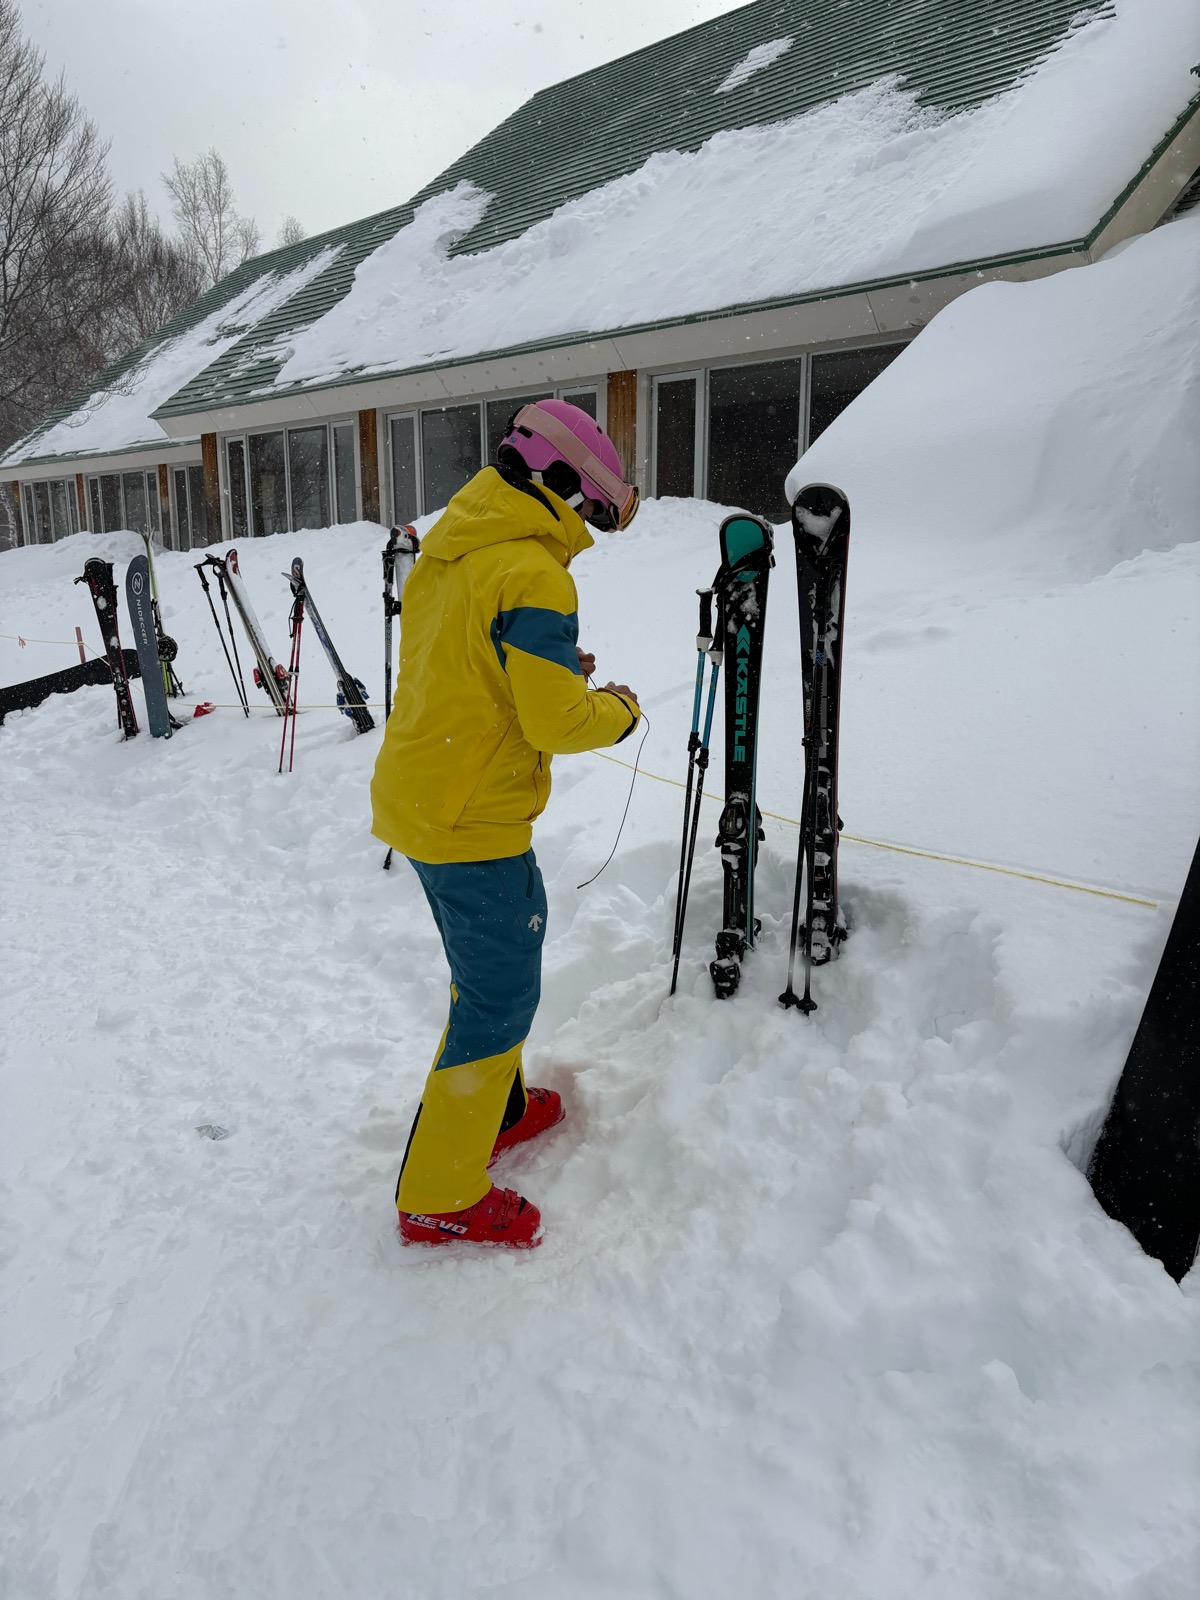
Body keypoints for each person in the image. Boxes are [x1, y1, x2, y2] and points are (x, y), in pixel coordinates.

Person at [371, 399, 642, 1249]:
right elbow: (556, 725)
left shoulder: (450, 551)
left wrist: (552, 668)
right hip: (470, 817)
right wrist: (618, 709)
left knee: (485, 974)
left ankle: (503, 1106)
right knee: (498, 997)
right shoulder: (531, 572)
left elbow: (464, 665)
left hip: (423, 798)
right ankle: (440, 1191)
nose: (591, 525)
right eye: (593, 506)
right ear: (560, 484)